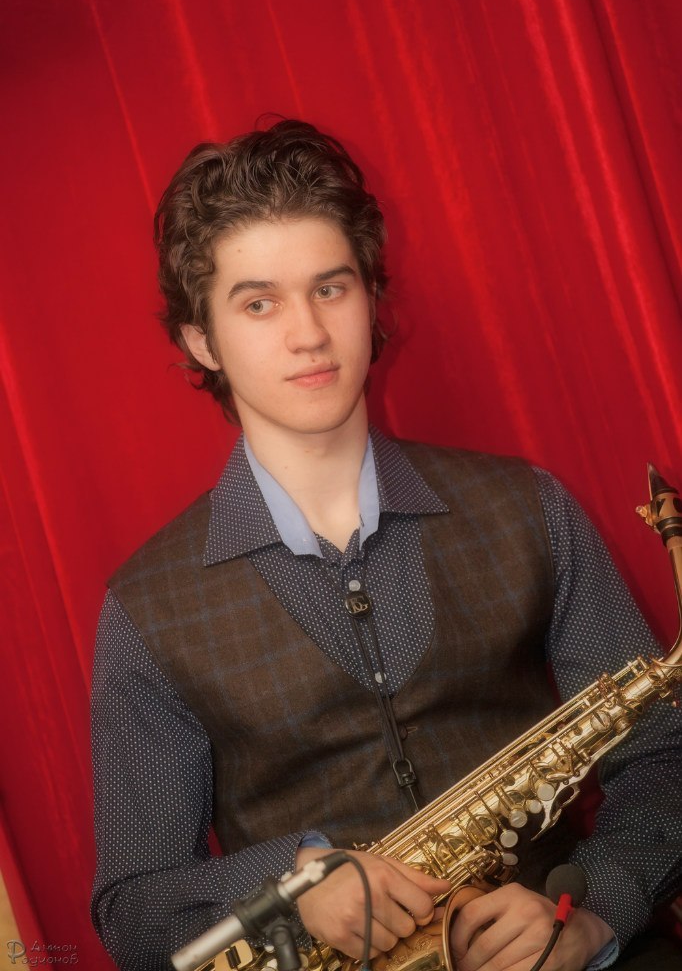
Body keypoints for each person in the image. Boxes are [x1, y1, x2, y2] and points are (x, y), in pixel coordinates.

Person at [90, 119, 682, 971]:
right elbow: (134, 909)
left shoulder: (530, 507)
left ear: (371, 298)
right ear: (201, 340)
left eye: (330, 288)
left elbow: (665, 757)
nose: (308, 333)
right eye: (259, 303)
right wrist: (288, 884)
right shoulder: (145, 609)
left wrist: (595, 911)